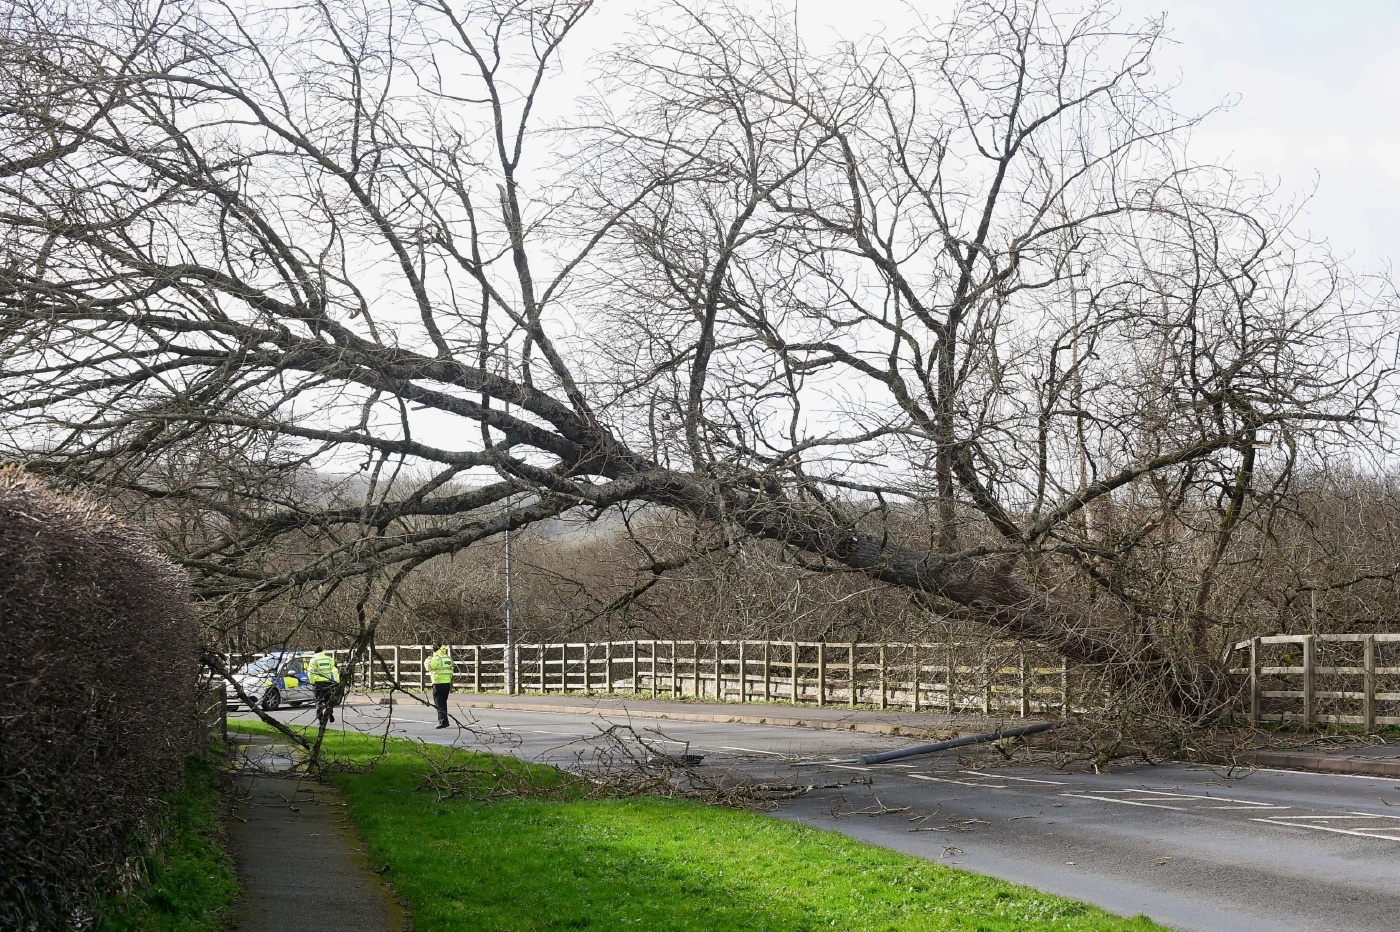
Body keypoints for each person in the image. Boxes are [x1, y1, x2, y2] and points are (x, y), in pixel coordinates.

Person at [308, 646, 340, 724]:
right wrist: (336, 681)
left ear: (315, 652)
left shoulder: (313, 660)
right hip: (328, 683)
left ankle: (320, 719)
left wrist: (312, 682)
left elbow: (310, 673)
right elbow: (335, 670)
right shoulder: (329, 659)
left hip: (318, 684)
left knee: (318, 701)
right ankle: (330, 713)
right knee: (328, 700)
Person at [425, 645, 454, 729]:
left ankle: (443, 721)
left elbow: (429, 668)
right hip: (447, 683)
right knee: (443, 703)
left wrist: (427, 661)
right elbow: (452, 669)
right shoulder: (447, 658)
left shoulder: (436, 658)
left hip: (438, 683)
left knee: (439, 703)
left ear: (434, 651)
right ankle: (445, 721)